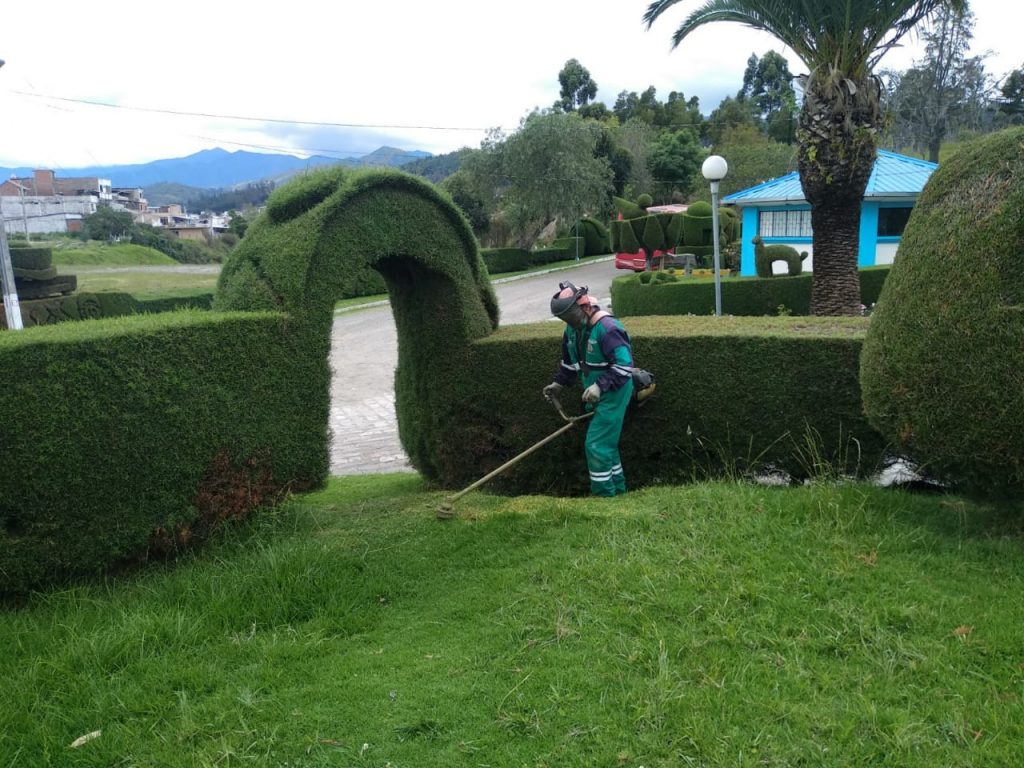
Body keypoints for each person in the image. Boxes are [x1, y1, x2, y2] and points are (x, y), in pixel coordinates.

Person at [543, 281, 634, 496]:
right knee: (606, 444)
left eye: (570, 316)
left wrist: (600, 387)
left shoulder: (608, 328)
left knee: (596, 444)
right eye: (564, 318)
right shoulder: (572, 330)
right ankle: (618, 491)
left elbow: (624, 366)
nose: (568, 322)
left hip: (614, 392)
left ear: (584, 306)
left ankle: (604, 496)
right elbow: (570, 363)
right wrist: (559, 383)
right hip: (595, 393)